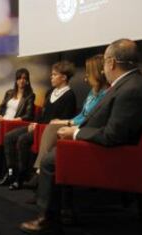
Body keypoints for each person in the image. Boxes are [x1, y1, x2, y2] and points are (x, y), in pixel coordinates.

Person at [20, 39, 142, 234]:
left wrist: (76, 133)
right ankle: (62, 208)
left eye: (105, 63)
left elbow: (112, 135)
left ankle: (47, 219)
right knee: (58, 147)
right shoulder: (128, 84)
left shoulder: (131, 89)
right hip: (111, 150)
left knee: (51, 160)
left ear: (112, 63)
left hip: (114, 157)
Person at [25, 54, 109, 190]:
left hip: (87, 129)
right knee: (52, 126)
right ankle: (39, 172)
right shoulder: (93, 92)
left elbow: (91, 119)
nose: (86, 77)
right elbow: (82, 114)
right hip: (78, 124)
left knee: (52, 129)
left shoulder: (105, 94)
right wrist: (66, 121)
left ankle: (40, 173)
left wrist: (68, 123)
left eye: (88, 73)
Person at [0, 61, 77, 190]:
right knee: (9, 137)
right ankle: (11, 172)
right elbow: (42, 114)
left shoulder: (69, 95)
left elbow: (64, 120)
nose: (51, 77)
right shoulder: (50, 92)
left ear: (63, 77)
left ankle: (22, 176)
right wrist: (35, 123)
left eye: (54, 75)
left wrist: (41, 126)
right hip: (39, 126)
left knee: (23, 140)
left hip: (50, 132)